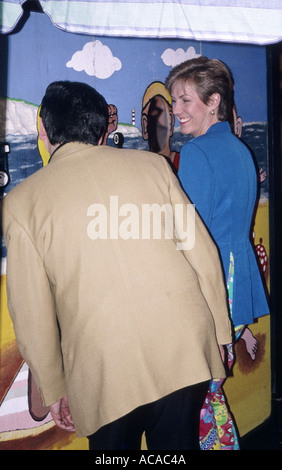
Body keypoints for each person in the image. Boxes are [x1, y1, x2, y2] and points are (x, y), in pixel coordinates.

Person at [2, 81, 232, 451]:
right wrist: (221, 334)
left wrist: (53, 385)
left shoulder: (21, 202)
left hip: (105, 371)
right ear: (104, 127)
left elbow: (31, 310)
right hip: (185, 349)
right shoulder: (154, 166)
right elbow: (202, 255)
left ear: (42, 131)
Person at [165, 57, 269, 450]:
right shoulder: (240, 150)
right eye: (174, 101)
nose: (176, 111)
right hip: (235, 287)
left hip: (210, 292)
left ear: (213, 102)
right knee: (208, 396)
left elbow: (188, 238)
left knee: (197, 404)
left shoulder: (196, 153)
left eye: (185, 100)